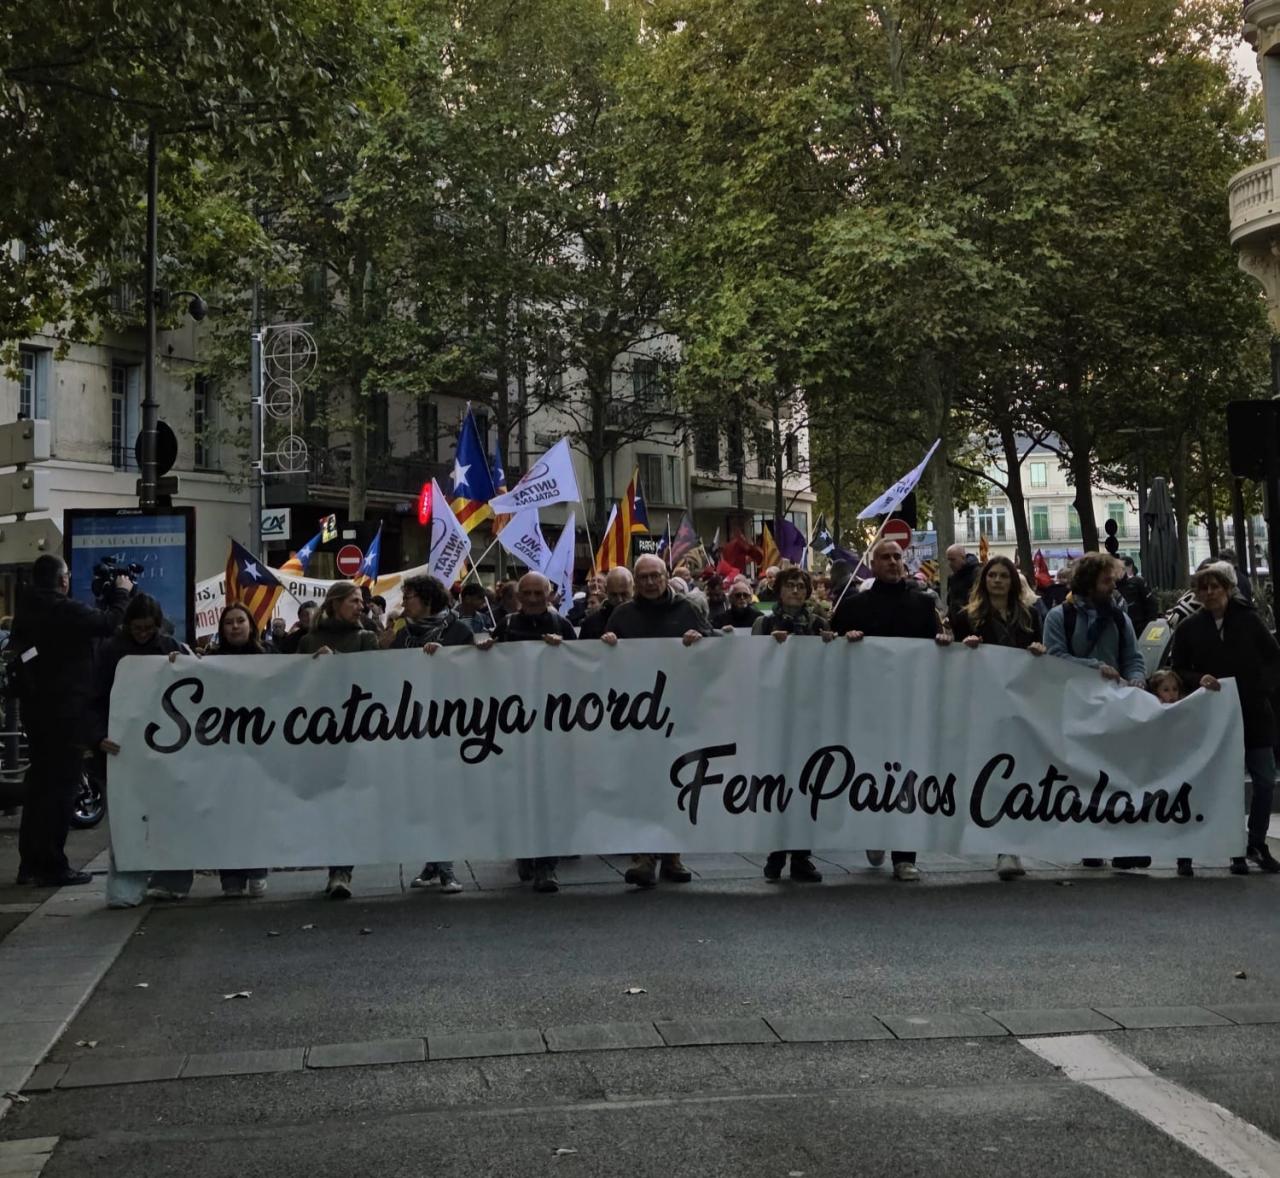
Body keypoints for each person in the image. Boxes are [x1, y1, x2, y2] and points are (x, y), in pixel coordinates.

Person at [832, 539, 951, 881]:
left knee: (907, 778)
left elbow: (937, 644)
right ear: (873, 563)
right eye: (885, 557)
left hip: (911, 707)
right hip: (868, 709)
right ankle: (874, 832)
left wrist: (941, 643)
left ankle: (904, 855)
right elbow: (831, 647)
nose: (892, 562)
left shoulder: (923, 604)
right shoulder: (854, 605)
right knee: (871, 773)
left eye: (897, 556)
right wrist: (845, 640)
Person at [10, 554, 131, 887]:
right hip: (66, 712)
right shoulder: (60, 609)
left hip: (38, 711)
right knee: (60, 790)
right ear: (62, 580)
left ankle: (30, 864)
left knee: (39, 789)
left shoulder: (28, 608)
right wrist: (122, 592)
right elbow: (108, 624)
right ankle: (53, 865)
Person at [602, 554, 716, 889]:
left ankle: (672, 856)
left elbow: (717, 648)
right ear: (636, 582)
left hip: (680, 713)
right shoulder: (622, 615)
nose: (651, 582)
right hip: (637, 717)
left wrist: (702, 639)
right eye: (644, 577)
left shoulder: (687, 610)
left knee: (675, 782)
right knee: (641, 785)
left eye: (656, 576)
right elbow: (602, 663)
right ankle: (643, 856)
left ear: (666, 576)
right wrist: (607, 645)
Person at [1170, 561, 1280, 875]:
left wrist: (1263, 688)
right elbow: (1177, 667)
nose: (1209, 593)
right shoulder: (1189, 627)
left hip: (1254, 713)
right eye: (1202, 588)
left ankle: (1255, 843)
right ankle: (1197, 846)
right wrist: (1197, 679)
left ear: (1228, 589)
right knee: (1212, 781)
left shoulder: (1250, 621)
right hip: (1212, 717)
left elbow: (1274, 658)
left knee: (1263, 780)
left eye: (1214, 586)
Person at [1044, 553, 1149, 870]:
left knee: (1117, 777)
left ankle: (1122, 844)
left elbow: (1133, 656)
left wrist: (1136, 680)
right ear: (1089, 582)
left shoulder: (1120, 617)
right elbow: (1054, 658)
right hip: (1076, 709)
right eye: (1107, 581)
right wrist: (1095, 668)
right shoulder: (1060, 617)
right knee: (1086, 778)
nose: (1113, 586)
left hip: (1114, 708)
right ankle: (1091, 840)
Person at [91, 594, 192, 904]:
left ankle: (167, 881)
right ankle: (130, 886)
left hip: (162, 745)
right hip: (125, 746)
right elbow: (93, 698)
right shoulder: (111, 652)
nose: (144, 633)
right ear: (127, 625)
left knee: (168, 813)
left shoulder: (169, 648)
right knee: (128, 817)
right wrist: (97, 736)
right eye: (138, 627)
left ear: (158, 625)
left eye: (149, 628)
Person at [476, 573, 574, 893]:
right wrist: (487, 649)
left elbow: (584, 667)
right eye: (527, 593)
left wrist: (566, 651)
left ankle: (547, 865)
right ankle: (525, 852)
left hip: (552, 725)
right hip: (514, 726)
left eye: (538, 593)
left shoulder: (563, 627)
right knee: (519, 793)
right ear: (519, 596)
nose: (532, 598)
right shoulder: (505, 626)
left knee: (549, 796)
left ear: (550, 594)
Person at [951, 556, 1047, 881]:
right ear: (983, 580)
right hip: (983, 705)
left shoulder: (1030, 616)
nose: (997, 581)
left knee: (1018, 773)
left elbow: (1043, 651)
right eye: (992, 575)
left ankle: (1013, 845)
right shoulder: (967, 618)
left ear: (1013, 582)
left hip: (1020, 705)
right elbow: (951, 657)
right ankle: (1000, 845)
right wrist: (963, 648)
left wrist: (1037, 650)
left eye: (1004, 576)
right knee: (991, 773)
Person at [392, 574, 475, 895]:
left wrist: (445, 659)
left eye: (409, 596)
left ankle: (447, 867)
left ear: (427, 599)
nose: (404, 603)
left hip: (450, 727)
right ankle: (432, 863)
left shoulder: (458, 631)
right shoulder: (404, 635)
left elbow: (471, 675)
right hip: (414, 727)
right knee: (423, 798)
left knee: (444, 797)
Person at [297, 582, 380, 899]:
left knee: (347, 803)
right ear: (334, 604)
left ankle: (341, 871)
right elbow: (293, 683)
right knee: (326, 804)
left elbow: (375, 678)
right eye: (354, 601)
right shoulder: (307, 641)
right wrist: (312, 665)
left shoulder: (366, 638)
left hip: (355, 735)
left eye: (362, 601)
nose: (361, 606)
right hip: (317, 736)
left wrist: (339, 660)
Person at [752, 567, 833, 883]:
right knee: (778, 785)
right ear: (779, 589)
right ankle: (775, 853)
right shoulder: (765, 623)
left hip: (810, 715)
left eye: (801, 586)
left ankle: (801, 856)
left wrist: (829, 641)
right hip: (776, 715)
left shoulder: (817, 624)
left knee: (807, 784)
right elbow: (751, 662)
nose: (796, 591)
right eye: (790, 586)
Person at [205, 603, 271, 898]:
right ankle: (230, 877)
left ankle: (257, 870)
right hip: (223, 748)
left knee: (255, 813)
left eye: (240, 621)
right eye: (229, 622)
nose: (234, 626)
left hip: (260, 748)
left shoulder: (269, 656)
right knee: (226, 814)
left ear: (251, 625)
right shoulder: (210, 660)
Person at [1145, 669, 1195, 879]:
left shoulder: (1185, 710)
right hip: (1157, 773)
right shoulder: (1149, 711)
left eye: (1174, 689)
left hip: (1180, 772)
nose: (1172, 694)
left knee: (1182, 812)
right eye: (1165, 690)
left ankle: (1185, 858)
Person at [579, 567, 633, 641]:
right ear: (606, 591)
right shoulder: (591, 624)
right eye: (614, 595)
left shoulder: (644, 618)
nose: (619, 600)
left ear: (633, 589)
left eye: (624, 594)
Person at [1117, 557, 1158, 634]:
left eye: (1122, 568)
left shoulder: (1138, 581)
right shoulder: (1116, 585)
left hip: (1139, 624)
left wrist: (1149, 624)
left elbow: (1152, 603)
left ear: (1129, 566)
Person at [944, 544, 980, 618]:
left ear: (963, 558)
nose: (950, 564)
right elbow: (951, 601)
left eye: (953, 560)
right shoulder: (952, 578)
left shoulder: (976, 574)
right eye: (949, 560)